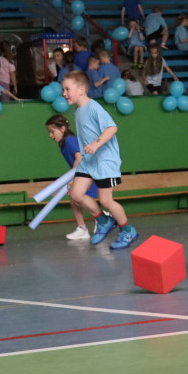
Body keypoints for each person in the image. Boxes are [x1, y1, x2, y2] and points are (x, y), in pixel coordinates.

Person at [60, 70, 138, 249]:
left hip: (104, 161)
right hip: (89, 161)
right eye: (63, 90)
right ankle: (104, 221)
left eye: (67, 89)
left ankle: (128, 230)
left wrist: (96, 144)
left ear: (81, 89)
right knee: (76, 194)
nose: (64, 93)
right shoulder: (79, 111)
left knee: (105, 201)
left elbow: (112, 128)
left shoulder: (93, 107)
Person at [45, 114, 102, 241]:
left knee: (79, 198)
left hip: (88, 172)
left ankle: (102, 219)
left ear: (62, 129)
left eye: (52, 132)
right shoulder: (64, 143)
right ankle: (82, 228)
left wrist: (72, 179)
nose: (51, 135)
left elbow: (79, 158)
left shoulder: (70, 140)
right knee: (74, 201)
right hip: (82, 172)